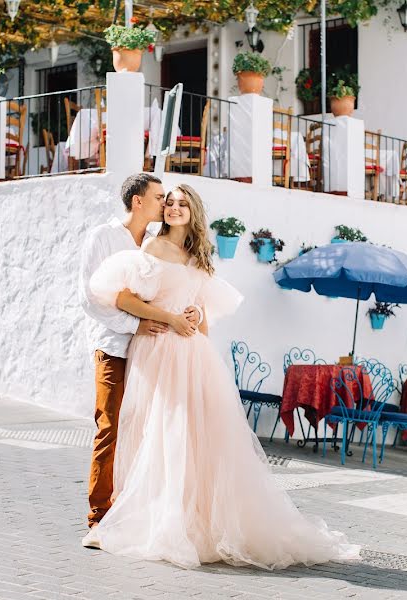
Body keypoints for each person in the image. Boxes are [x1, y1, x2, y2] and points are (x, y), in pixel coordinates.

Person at [83, 183, 359, 569]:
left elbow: (203, 317)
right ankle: (147, 518)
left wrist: (194, 317)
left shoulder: (199, 257)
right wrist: (169, 318)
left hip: (191, 353)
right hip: (158, 349)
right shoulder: (150, 248)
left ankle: (197, 519)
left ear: (194, 211)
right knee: (159, 432)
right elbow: (122, 298)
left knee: (198, 437)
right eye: (169, 203)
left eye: (182, 203)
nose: (174, 208)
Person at [78, 173, 202, 541]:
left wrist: (189, 311)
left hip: (151, 351)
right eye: (160, 196)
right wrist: (136, 326)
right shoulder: (102, 237)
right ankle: (99, 518)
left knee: (149, 431)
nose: (166, 203)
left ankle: (138, 511)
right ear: (138, 201)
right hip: (113, 347)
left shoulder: (154, 242)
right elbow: (91, 297)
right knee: (110, 429)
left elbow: (163, 293)